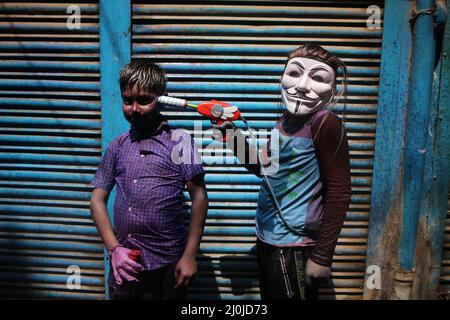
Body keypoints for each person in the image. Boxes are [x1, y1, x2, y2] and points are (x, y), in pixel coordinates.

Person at [213, 43, 352, 300]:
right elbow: (265, 169)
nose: (301, 85)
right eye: (295, 73)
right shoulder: (284, 120)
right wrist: (229, 133)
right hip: (269, 239)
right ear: (282, 78)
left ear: (332, 89)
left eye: (318, 78)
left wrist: (322, 256)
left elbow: (339, 191)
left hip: (297, 246)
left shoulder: (325, 123)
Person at [90, 60, 208, 300]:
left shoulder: (179, 141)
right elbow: (96, 201)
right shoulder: (118, 146)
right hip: (127, 262)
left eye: (144, 100)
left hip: (170, 262)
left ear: (162, 98)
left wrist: (189, 256)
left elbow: (199, 198)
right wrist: (114, 250)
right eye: (127, 101)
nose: (134, 108)